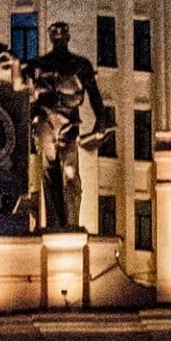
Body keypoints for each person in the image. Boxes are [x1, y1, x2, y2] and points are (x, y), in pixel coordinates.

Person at [25, 21, 108, 230]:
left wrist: (101, 120)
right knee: (49, 174)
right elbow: (27, 96)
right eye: (56, 36)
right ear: (52, 39)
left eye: (63, 36)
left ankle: (71, 224)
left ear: (68, 38)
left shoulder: (80, 65)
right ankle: (54, 225)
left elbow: (95, 96)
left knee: (70, 172)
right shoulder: (40, 65)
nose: (60, 39)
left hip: (69, 124)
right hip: (45, 124)